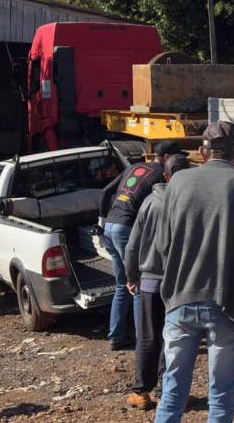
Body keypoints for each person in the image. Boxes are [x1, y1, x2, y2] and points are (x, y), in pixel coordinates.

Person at [153, 122, 234, 423]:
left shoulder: (178, 182)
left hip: (180, 300)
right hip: (228, 304)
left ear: (202, 152)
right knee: (221, 396)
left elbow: (161, 244)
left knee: (172, 391)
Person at [100, 140, 185, 350]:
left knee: (122, 285)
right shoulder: (160, 174)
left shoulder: (135, 167)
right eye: (175, 157)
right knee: (139, 285)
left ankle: (116, 337)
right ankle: (143, 341)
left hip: (111, 225)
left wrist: (103, 219)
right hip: (127, 229)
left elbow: (105, 192)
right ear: (166, 158)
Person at [123, 153, 191, 411]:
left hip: (150, 281)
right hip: (179, 284)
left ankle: (141, 392)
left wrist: (131, 276)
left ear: (165, 175)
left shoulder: (150, 202)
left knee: (149, 337)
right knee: (173, 337)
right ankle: (167, 391)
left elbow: (133, 246)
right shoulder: (188, 204)